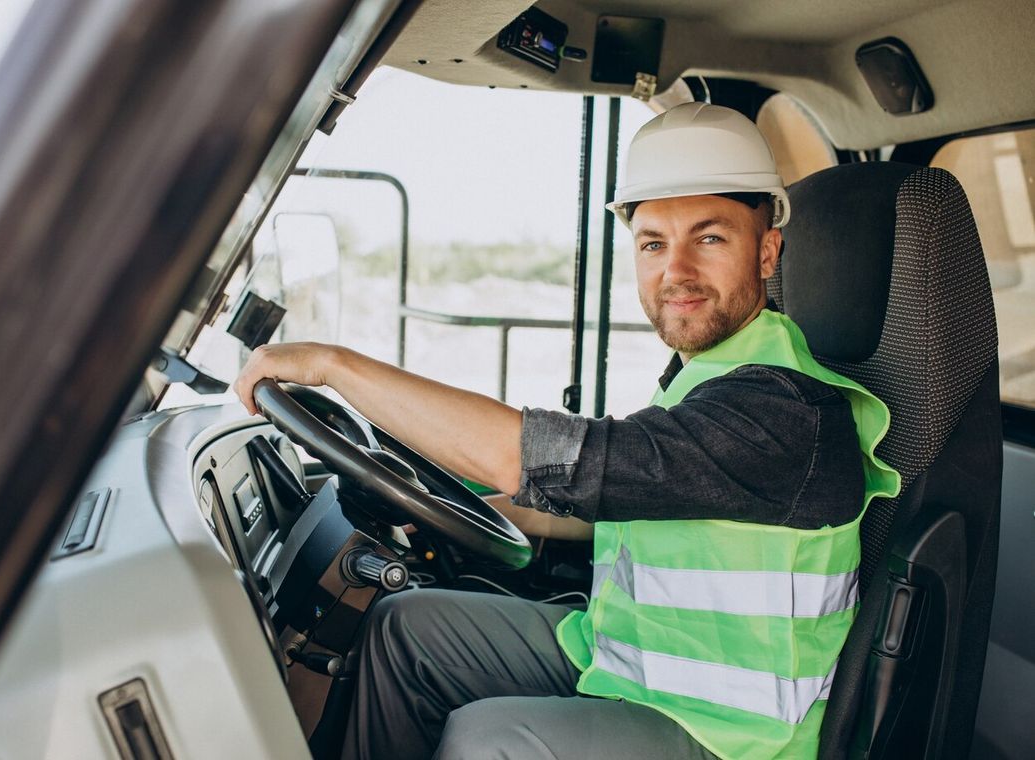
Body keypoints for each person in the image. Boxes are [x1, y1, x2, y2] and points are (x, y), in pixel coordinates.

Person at [233, 102, 901, 760]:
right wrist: (464, 514)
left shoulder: (782, 408)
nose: (677, 271)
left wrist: (330, 364)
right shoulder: (714, 376)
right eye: (653, 244)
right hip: (632, 660)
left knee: (489, 742)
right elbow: (631, 500)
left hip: (732, 734)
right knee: (406, 627)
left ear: (767, 253)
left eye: (710, 237)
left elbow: (541, 458)